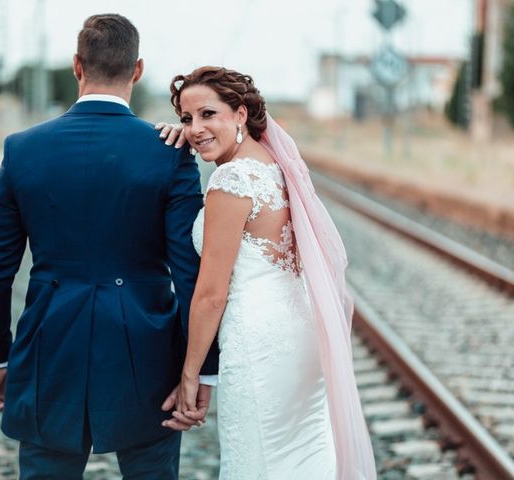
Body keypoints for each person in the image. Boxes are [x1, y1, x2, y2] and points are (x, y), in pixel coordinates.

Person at [0, 14, 218, 479]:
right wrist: (201, 369)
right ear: (138, 69)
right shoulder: (169, 151)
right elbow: (192, 273)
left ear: (76, 66)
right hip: (148, 353)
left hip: (48, 345)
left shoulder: (23, 148)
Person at [159, 67, 377, 479]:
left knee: (256, 459)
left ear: (240, 113)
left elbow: (210, 294)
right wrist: (192, 130)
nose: (194, 129)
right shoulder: (275, 165)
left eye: (208, 114)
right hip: (299, 335)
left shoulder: (232, 180)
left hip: (258, 344)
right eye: (187, 119)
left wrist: (190, 374)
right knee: (304, 451)